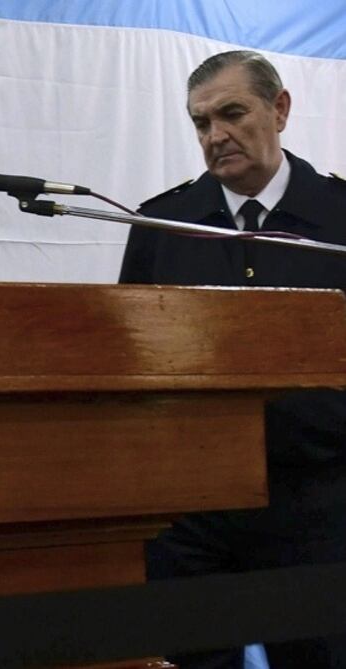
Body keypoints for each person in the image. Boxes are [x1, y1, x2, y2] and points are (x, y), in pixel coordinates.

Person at [120, 50, 346, 668]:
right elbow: (131, 354)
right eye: (201, 123)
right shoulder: (164, 222)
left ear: (280, 109)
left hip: (319, 500)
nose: (215, 135)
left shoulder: (338, 216)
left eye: (232, 113)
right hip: (190, 511)